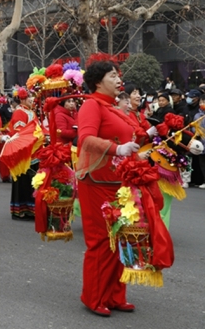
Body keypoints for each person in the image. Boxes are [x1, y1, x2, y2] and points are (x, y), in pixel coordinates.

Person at [76, 60, 158, 316]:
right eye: (113, 75)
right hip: (96, 182)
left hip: (119, 182)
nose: (119, 79)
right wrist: (117, 149)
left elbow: (129, 137)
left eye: (118, 75)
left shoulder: (114, 108)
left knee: (121, 238)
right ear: (98, 81)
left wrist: (149, 136)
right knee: (101, 241)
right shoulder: (91, 105)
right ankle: (94, 297)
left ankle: (114, 295)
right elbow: (86, 139)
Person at [6, 88, 39, 220]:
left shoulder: (30, 111)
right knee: (23, 180)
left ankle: (30, 208)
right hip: (24, 151)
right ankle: (22, 209)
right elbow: (20, 133)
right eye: (30, 97)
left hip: (33, 150)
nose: (33, 100)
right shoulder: (20, 112)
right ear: (23, 98)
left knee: (31, 180)